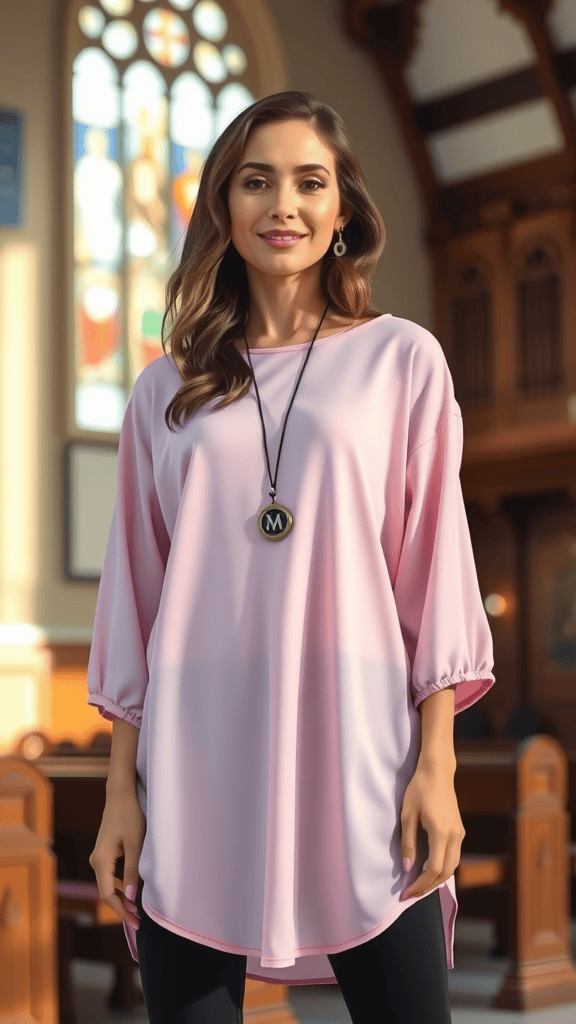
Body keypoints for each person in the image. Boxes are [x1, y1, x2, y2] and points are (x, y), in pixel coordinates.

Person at [87, 91, 495, 1023]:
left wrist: (437, 765)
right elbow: (138, 600)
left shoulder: (403, 362)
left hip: (364, 756)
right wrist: (122, 793)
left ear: (343, 209)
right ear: (223, 208)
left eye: (311, 183)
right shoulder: (165, 394)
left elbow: (434, 568)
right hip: (196, 763)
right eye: (256, 181)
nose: (284, 206)